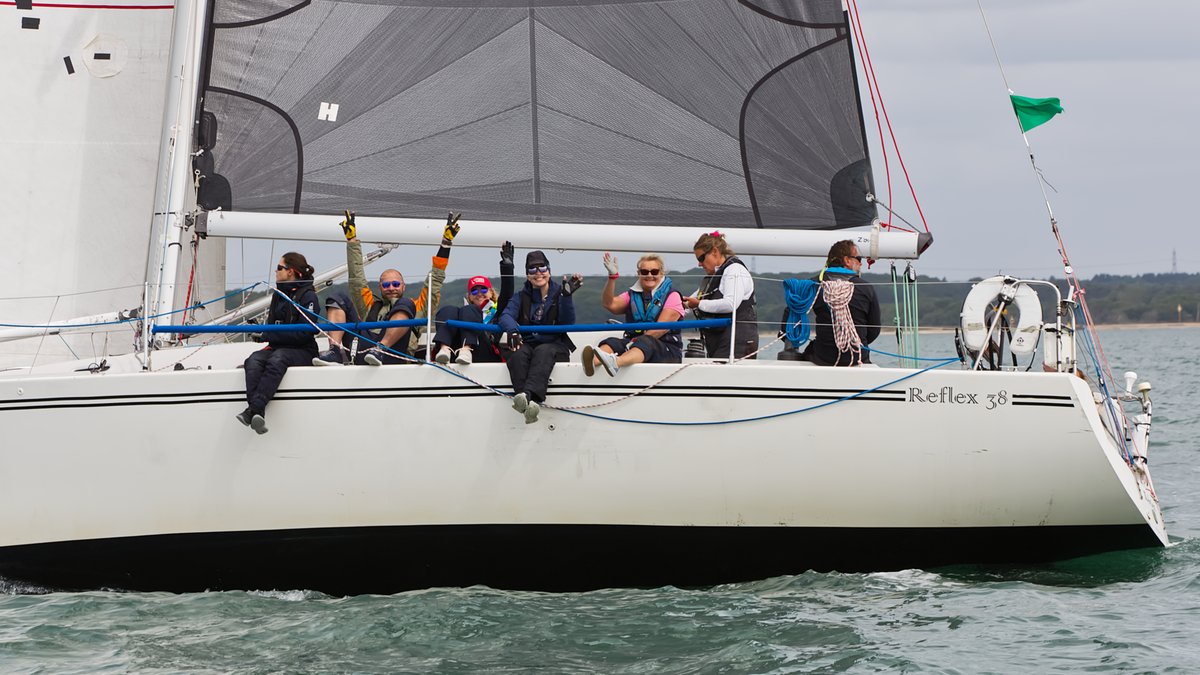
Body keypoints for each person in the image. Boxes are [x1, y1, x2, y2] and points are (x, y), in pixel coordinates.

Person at [314, 211, 458, 366]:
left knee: (406, 304)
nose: (391, 288)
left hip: (395, 355)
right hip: (366, 352)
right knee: (338, 298)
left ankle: (381, 348)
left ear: (403, 286)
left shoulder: (418, 307)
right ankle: (334, 350)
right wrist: (352, 241)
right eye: (386, 285)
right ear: (380, 288)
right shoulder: (371, 306)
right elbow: (357, 280)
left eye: (395, 284)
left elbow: (435, 281)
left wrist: (446, 244)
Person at [237, 252, 320, 434]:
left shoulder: (309, 297)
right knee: (253, 360)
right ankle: (256, 410)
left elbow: (305, 332)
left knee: (277, 359)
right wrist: (263, 333)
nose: (276, 271)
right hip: (279, 347)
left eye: (279, 268)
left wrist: (267, 336)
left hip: (303, 350)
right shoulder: (278, 295)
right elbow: (272, 326)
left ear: (291, 271)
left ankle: (253, 410)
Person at [498, 250, 582, 424]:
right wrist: (513, 330)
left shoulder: (560, 293)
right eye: (532, 270)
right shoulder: (521, 296)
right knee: (517, 352)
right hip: (529, 345)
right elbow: (505, 316)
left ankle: (526, 398)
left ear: (549, 271)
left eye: (542, 268)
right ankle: (530, 407)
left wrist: (566, 298)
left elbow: (567, 322)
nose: (538, 273)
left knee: (544, 351)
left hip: (554, 345)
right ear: (528, 275)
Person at [582, 252, 684, 376]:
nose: (649, 275)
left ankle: (616, 363)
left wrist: (632, 344)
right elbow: (610, 304)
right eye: (645, 272)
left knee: (646, 342)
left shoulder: (673, 296)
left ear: (662, 273)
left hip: (667, 350)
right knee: (612, 342)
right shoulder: (632, 295)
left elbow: (659, 329)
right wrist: (612, 277)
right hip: (635, 343)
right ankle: (593, 363)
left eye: (654, 272)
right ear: (638, 273)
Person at [431, 241, 516, 365]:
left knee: (469, 310)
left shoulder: (497, 310)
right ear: (469, 296)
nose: (479, 293)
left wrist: (507, 266)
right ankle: (444, 349)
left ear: (491, 293)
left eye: (484, 289)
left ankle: (467, 350)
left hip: (484, 352)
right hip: (456, 354)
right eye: (474, 290)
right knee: (449, 310)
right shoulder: (461, 313)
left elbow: (507, 293)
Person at [802, 239, 881, 366]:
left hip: (823, 357)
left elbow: (789, 324)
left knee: (807, 352)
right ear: (847, 260)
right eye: (859, 259)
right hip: (857, 357)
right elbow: (874, 330)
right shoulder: (865, 287)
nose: (861, 264)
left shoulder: (813, 285)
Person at [683, 231, 758, 360]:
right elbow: (690, 301)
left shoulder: (734, 270)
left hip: (737, 340)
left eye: (701, 258)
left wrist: (699, 304)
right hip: (720, 340)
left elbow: (730, 304)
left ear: (715, 252)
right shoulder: (715, 277)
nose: (699, 264)